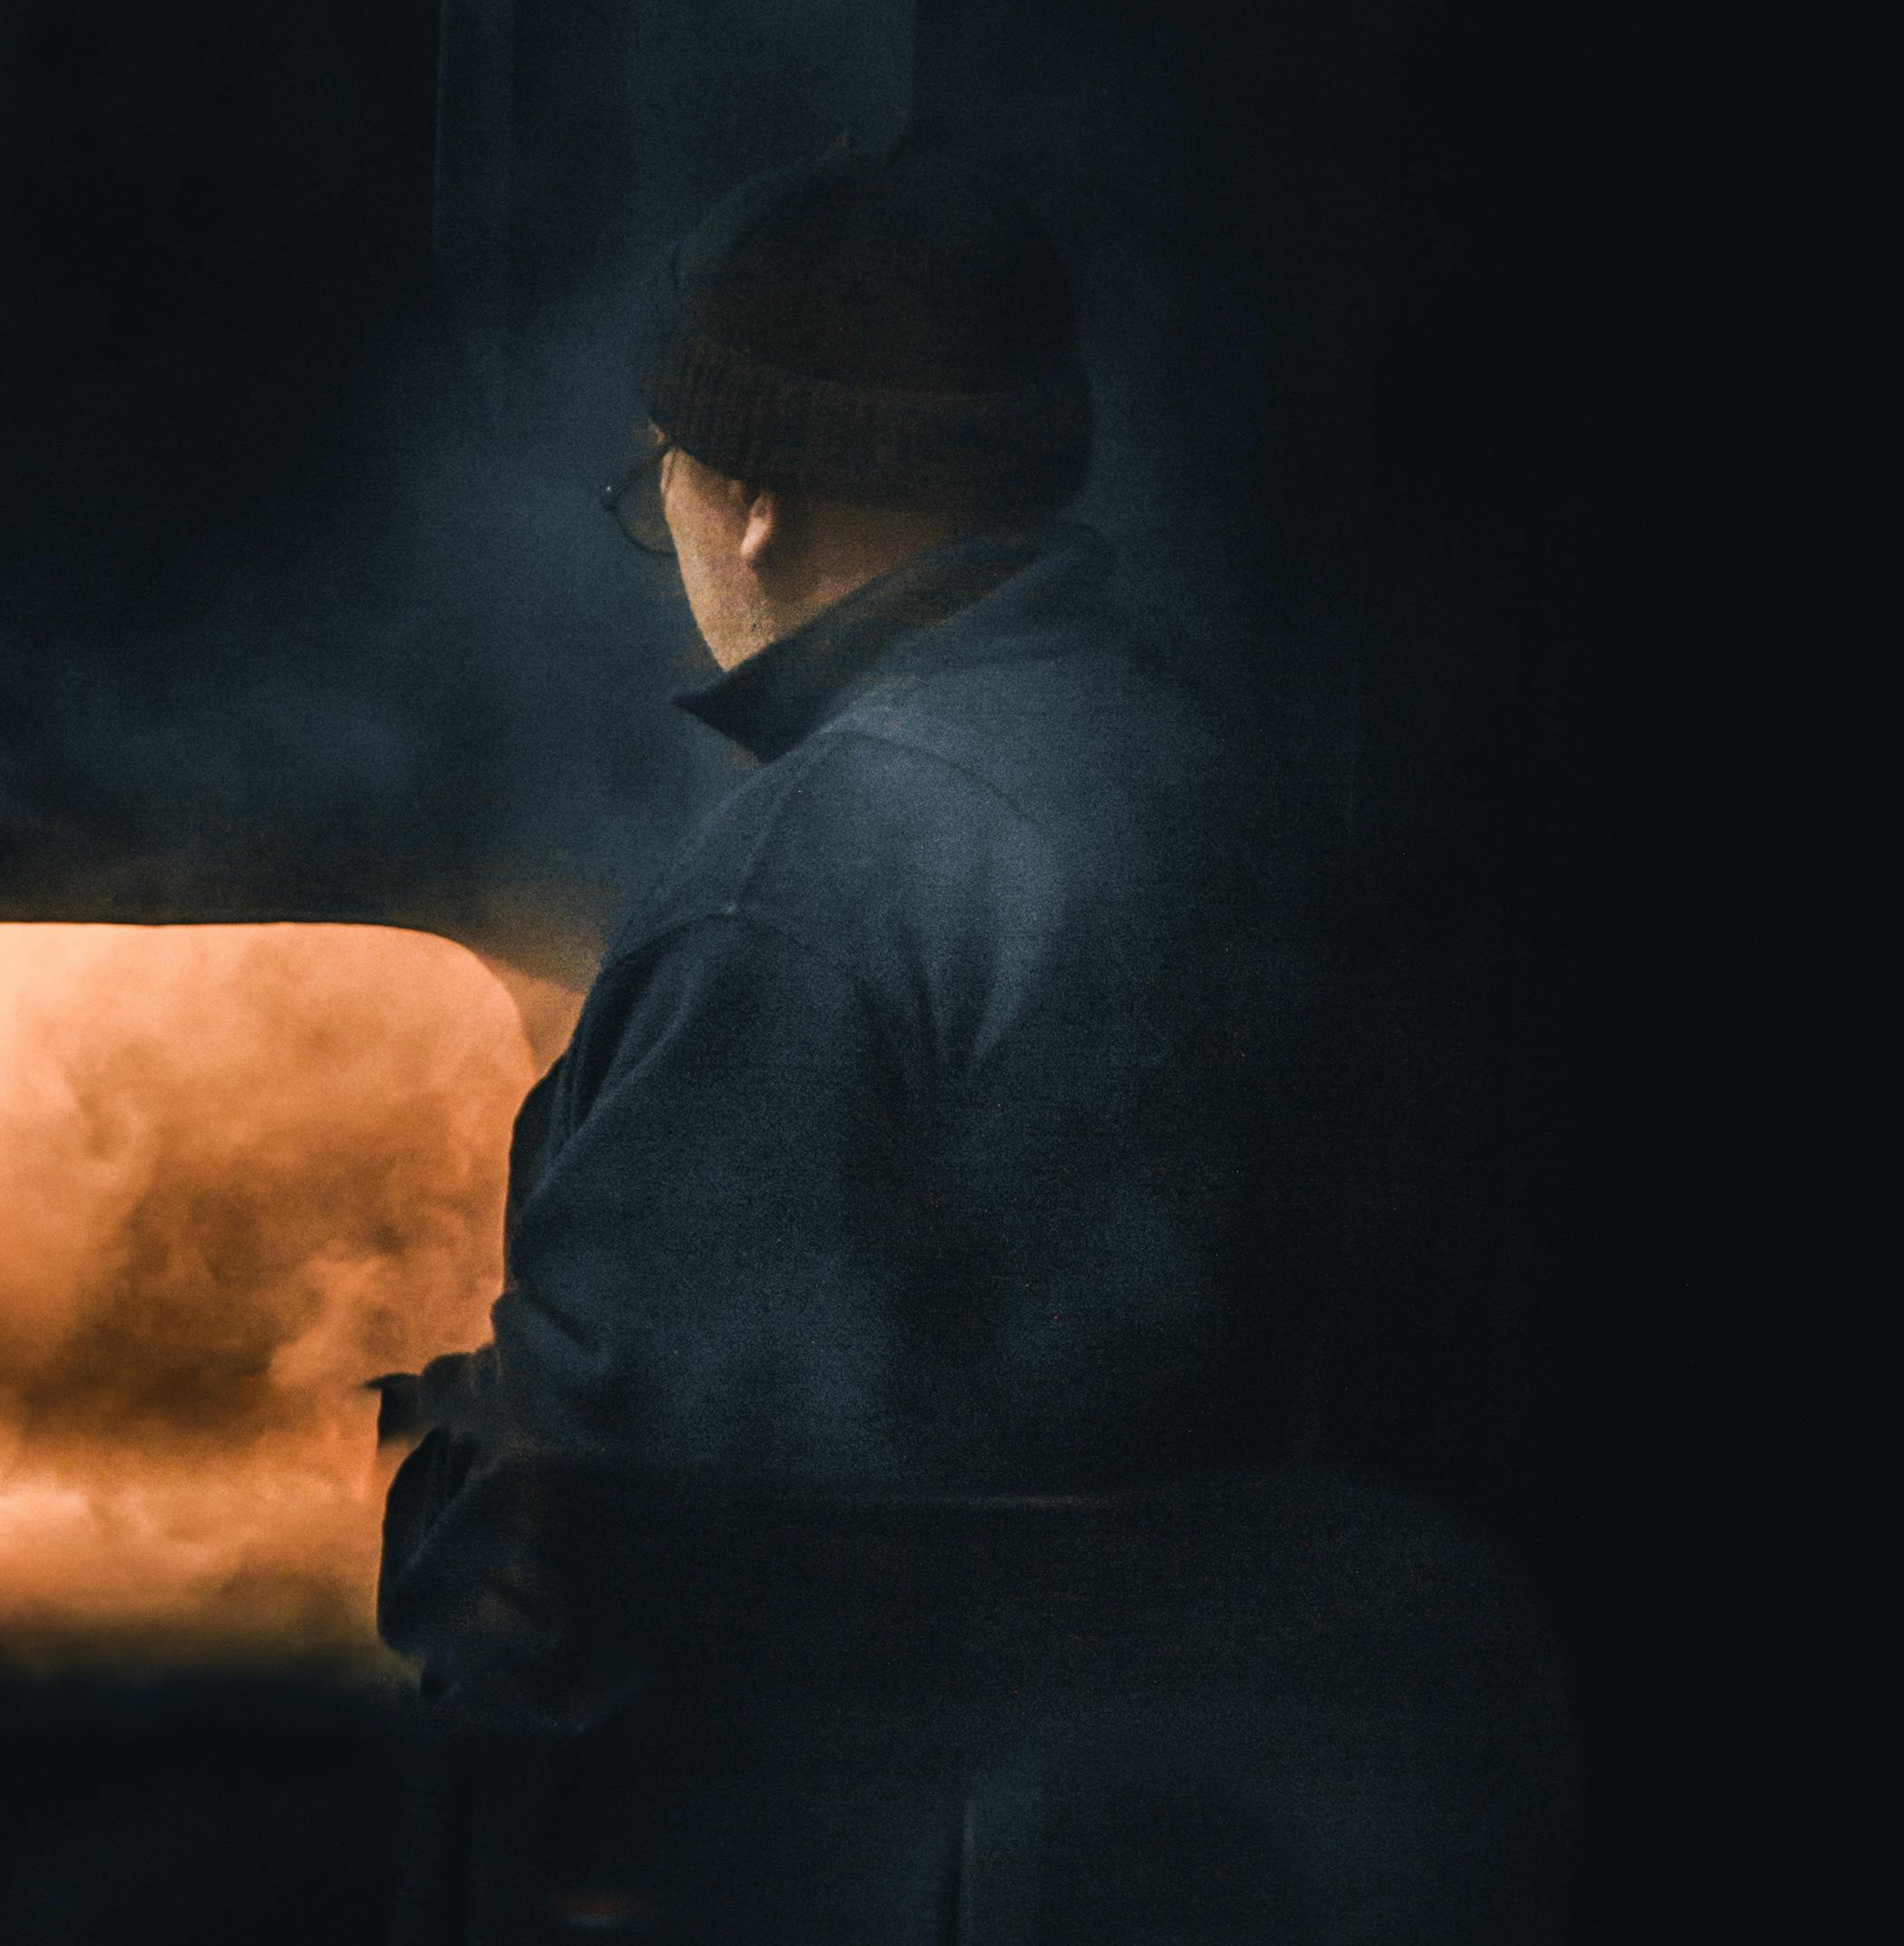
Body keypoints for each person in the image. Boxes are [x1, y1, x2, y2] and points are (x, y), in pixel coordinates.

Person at [377, 142, 1325, 1711]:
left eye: (657, 477)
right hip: (1168, 1789)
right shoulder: (1201, 766)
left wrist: (422, 1485)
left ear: (749, 503)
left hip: (840, 1846)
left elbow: (590, 1543)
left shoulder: (809, 879)